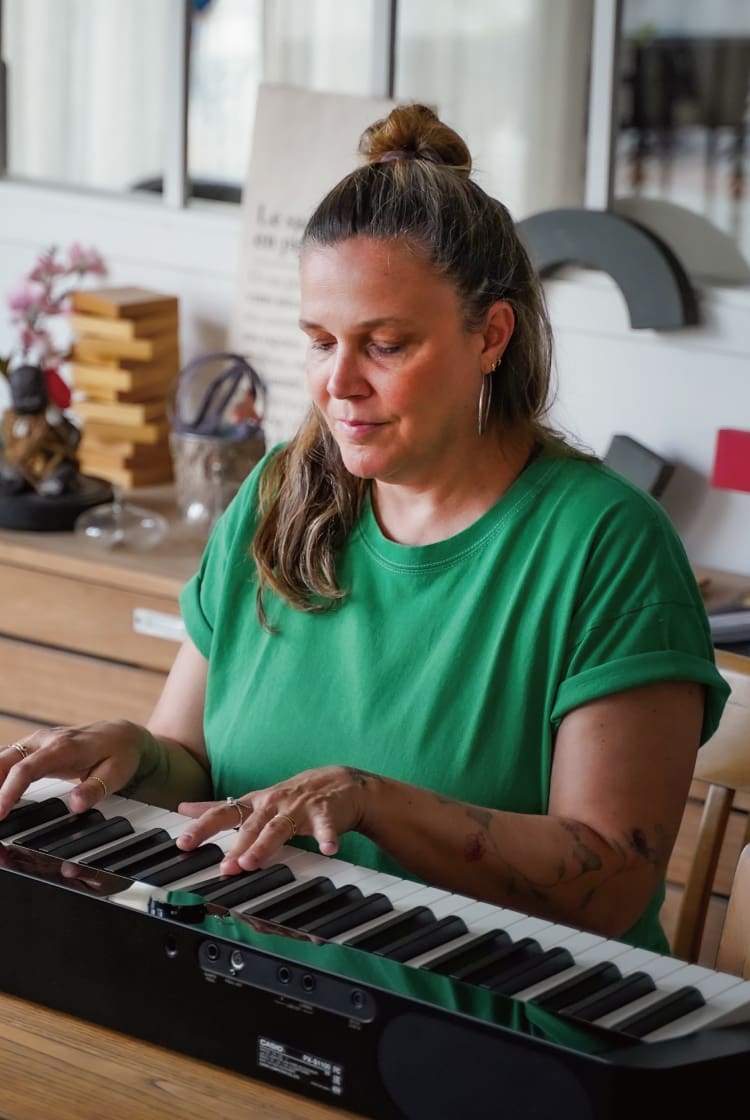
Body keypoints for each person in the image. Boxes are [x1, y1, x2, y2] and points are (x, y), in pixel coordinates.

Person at [0, 104, 729, 955]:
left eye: (384, 344)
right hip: (248, 974)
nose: (339, 384)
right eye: (320, 341)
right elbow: (191, 761)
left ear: (491, 335)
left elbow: (610, 884)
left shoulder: (607, 544)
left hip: (490, 1007)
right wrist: (130, 753)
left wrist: (373, 801)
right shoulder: (280, 492)